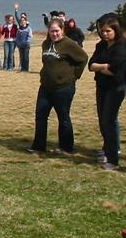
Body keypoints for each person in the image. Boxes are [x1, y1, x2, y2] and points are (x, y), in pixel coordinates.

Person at [27, 18, 88, 154]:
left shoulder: (69, 44)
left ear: (62, 30)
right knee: (40, 116)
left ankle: (66, 147)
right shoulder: (46, 44)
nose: (54, 34)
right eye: (51, 31)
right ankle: (38, 145)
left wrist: (74, 76)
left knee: (63, 117)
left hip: (63, 88)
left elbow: (83, 58)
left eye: (57, 31)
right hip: (45, 87)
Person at [88, 16, 126, 170]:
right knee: (103, 118)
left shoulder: (122, 46)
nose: (104, 33)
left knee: (109, 118)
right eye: (102, 31)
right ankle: (107, 148)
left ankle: (113, 158)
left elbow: (115, 70)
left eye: (108, 31)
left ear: (116, 30)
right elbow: (90, 65)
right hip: (102, 85)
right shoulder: (101, 45)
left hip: (118, 85)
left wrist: (101, 67)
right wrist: (104, 67)